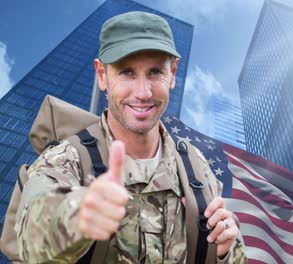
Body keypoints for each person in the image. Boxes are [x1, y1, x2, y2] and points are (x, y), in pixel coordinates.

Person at [15, 11, 246, 263]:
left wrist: (225, 251)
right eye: (126, 72)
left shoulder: (196, 167)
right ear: (102, 75)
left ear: (173, 74)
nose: (143, 92)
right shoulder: (66, 158)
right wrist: (79, 215)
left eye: (155, 72)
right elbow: (31, 235)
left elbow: (226, 251)